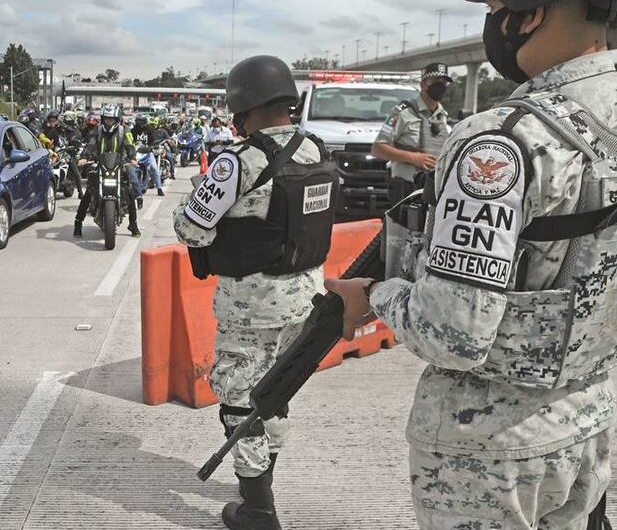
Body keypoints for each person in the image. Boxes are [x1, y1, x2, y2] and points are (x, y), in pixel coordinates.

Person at [324, 0, 617, 530]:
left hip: (489, 453)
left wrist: (370, 298)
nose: (491, 22)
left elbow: (453, 334)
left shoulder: (502, 139)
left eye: (493, 5)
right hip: (586, 422)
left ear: (529, 9)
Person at [174, 55, 339, 530]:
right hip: (306, 299)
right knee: (277, 393)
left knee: (240, 400)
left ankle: (257, 509)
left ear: (242, 106)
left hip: (252, 306)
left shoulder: (240, 161)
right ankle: (262, 483)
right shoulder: (317, 149)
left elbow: (193, 228)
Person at [371, 63, 452, 203]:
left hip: (435, 189)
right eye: (435, 81)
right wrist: (413, 158)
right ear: (423, 84)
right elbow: (378, 148)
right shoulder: (402, 112)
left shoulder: (443, 115)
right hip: (407, 190)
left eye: (444, 82)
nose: (441, 86)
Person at [74, 103, 141, 238]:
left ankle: (133, 224)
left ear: (117, 120)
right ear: (103, 119)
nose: (109, 122)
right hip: (100, 165)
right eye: (106, 119)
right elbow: (91, 144)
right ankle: (78, 223)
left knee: (129, 193)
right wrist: (84, 157)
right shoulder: (97, 131)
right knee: (89, 191)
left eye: (112, 119)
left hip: (119, 166)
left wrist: (132, 158)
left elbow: (129, 145)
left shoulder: (124, 131)